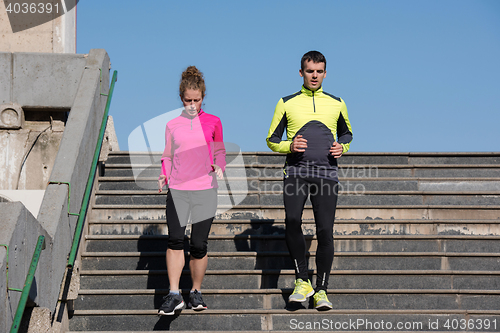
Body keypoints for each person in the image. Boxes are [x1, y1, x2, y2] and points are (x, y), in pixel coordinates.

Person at [266, 50, 353, 310]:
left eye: (319, 71)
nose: (314, 75)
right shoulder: (286, 102)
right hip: (296, 172)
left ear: (325, 73)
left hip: (326, 174)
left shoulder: (337, 102)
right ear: (301, 72)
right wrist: (289, 146)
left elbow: (347, 135)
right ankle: (302, 280)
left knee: (325, 230)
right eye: (309, 71)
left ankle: (322, 290)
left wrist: (342, 148)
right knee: (292, 220)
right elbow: (271, 139)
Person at [157, 66, 225, 315]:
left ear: (203, 98)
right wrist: (164, 173)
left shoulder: (214, 122)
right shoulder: (172, 125)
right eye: (188, 100)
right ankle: (174, 294)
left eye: (197, 100)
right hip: (178, 188)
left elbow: (219, 150)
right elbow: (167, 155)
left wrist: (220, 165)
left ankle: (195, 291)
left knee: (198, 244)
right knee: (175, 239)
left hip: (205, 189)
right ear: (181, 98)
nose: (193, 105)